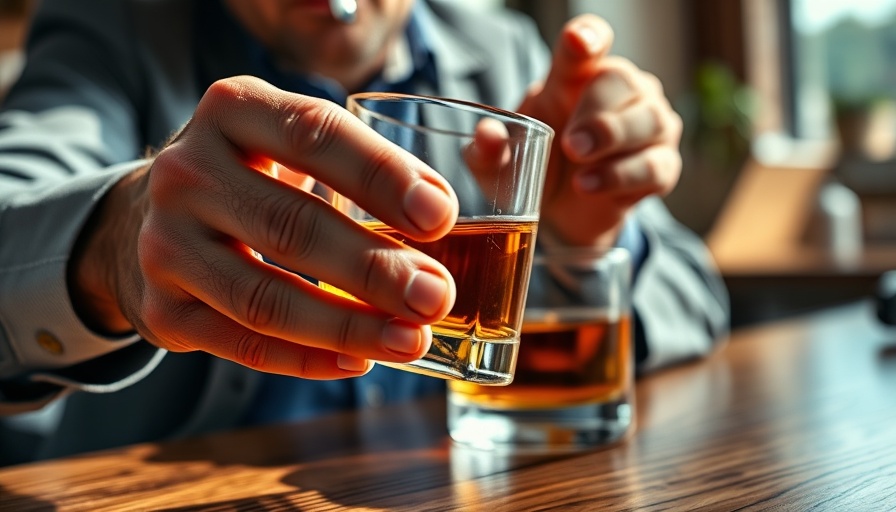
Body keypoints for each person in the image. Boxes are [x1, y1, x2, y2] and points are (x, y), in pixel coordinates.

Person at [0, 0, 729, 465]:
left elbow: (695, 296)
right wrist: (114, 238)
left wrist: (581, 242)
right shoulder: (115, 28)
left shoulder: (502, 48)